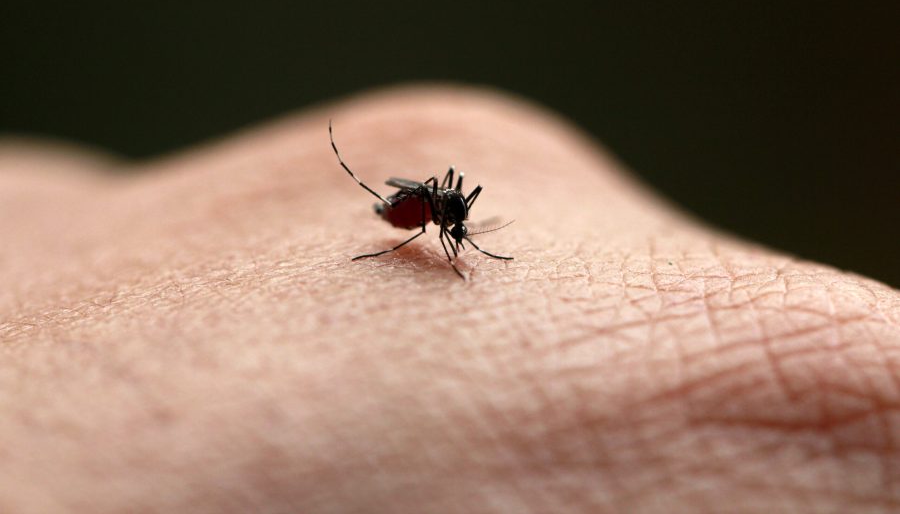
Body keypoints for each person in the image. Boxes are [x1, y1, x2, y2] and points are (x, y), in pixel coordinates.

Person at [2, 86, 898, 512]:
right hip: (410, 200)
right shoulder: (430, 215)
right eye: (446, 229)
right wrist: (415, 221)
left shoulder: (446, 211)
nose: (448, 234)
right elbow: (432, 201)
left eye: (444, 228)